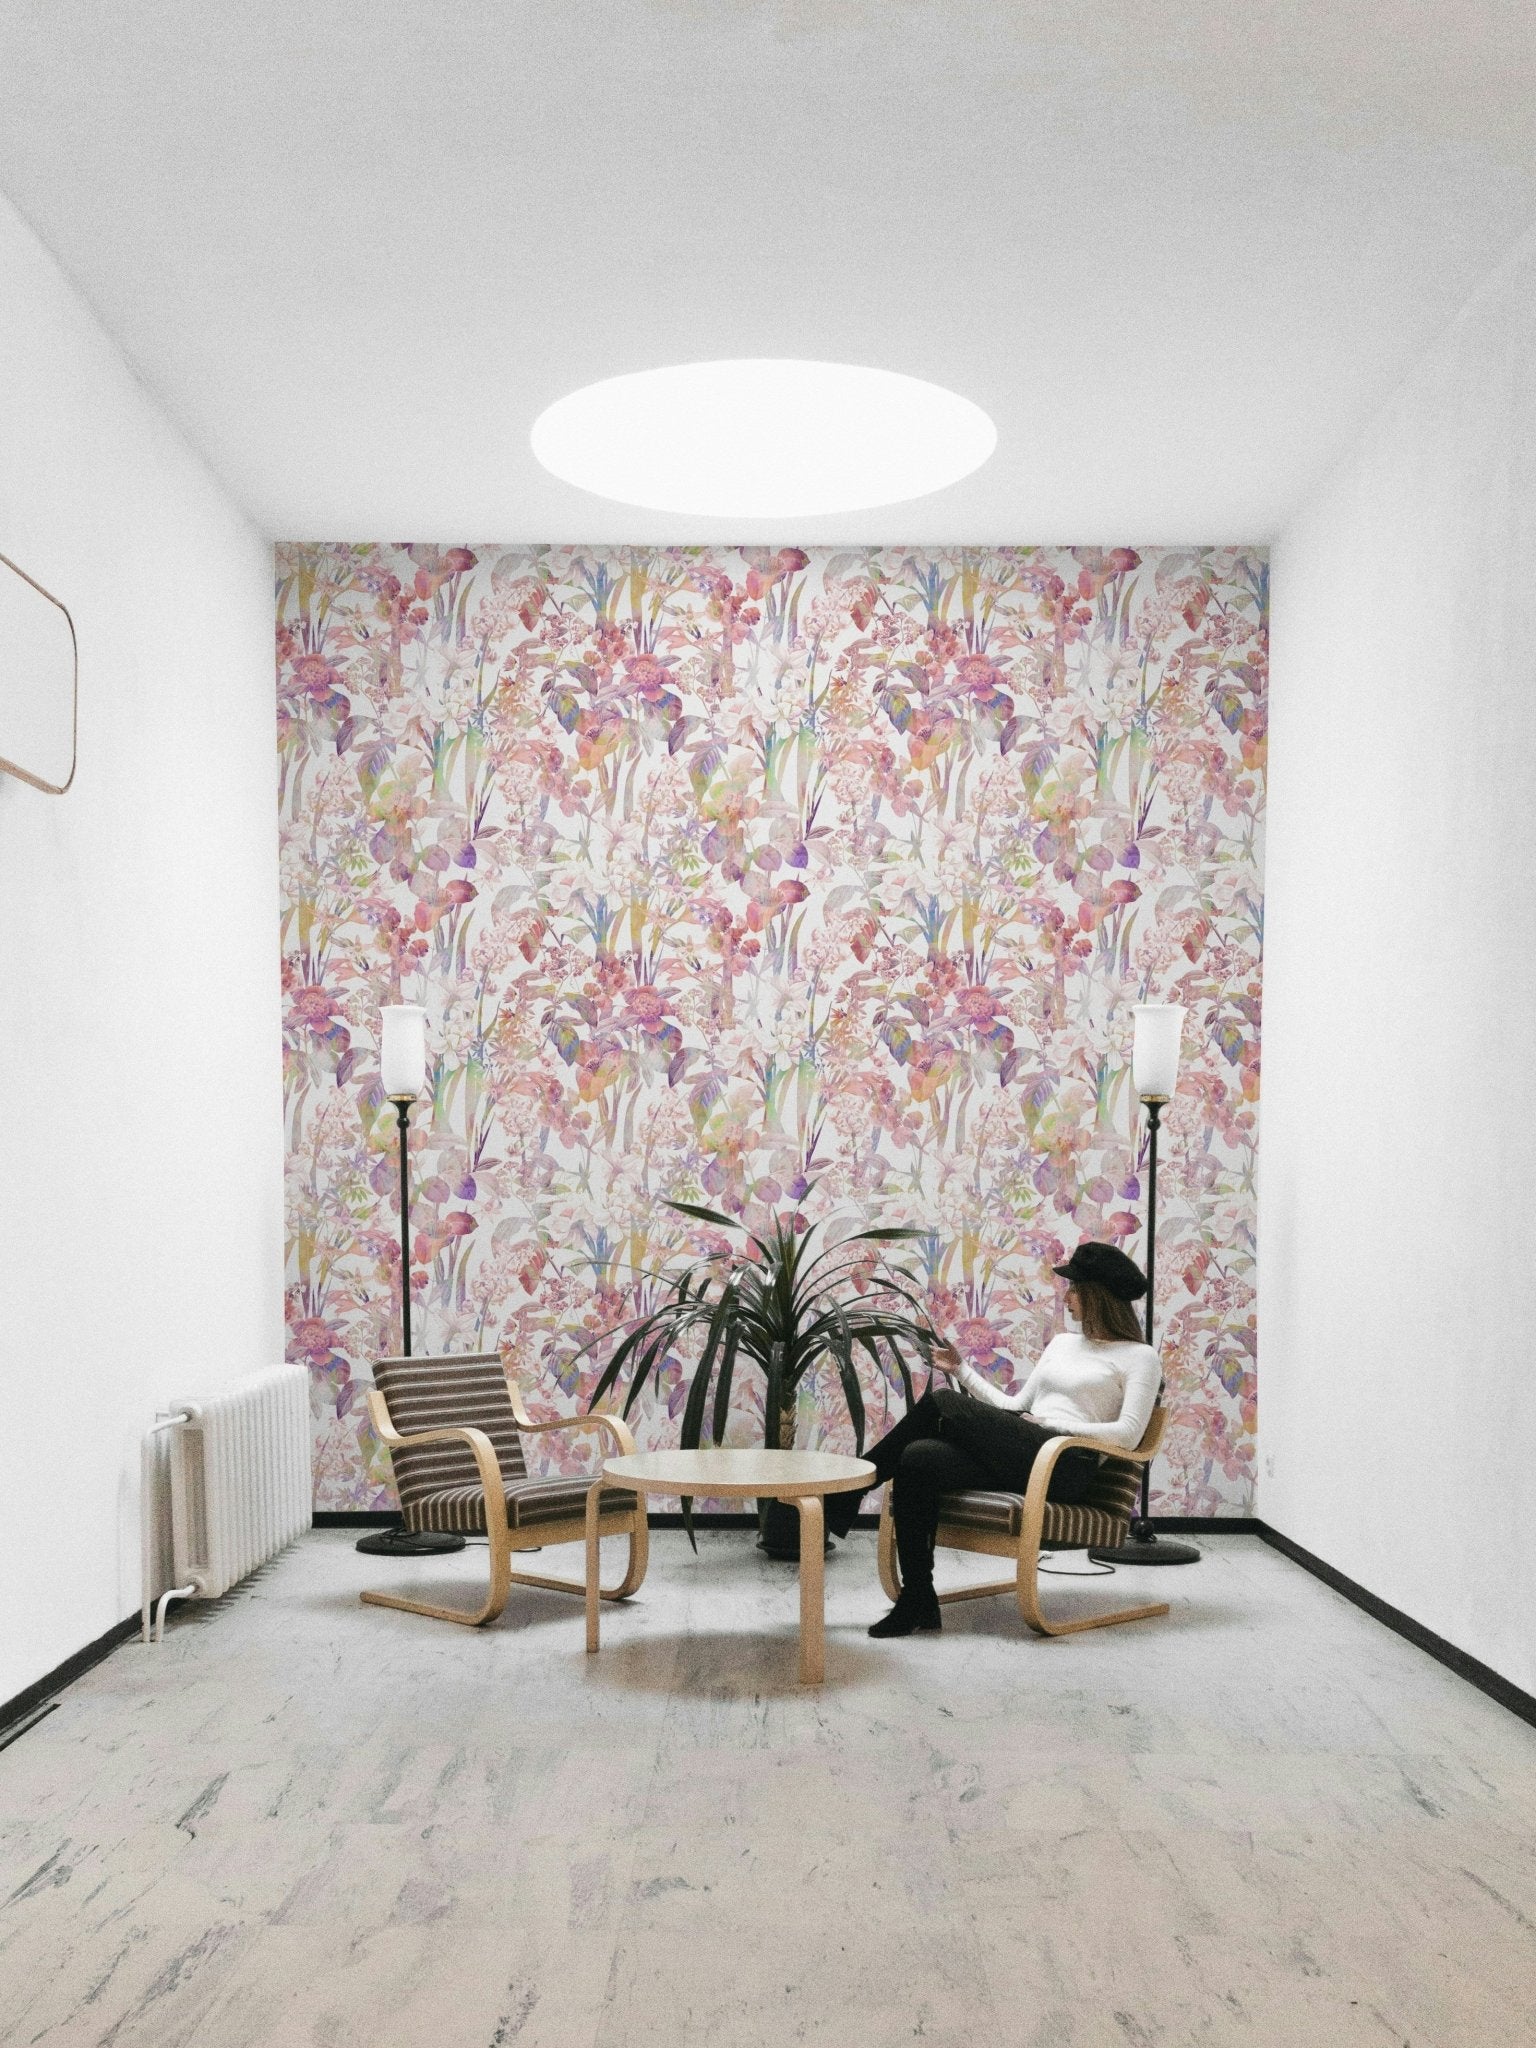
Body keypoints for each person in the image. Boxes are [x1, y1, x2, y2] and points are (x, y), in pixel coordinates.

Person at [828, 1241, 1162, 1638]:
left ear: (1098, 1295)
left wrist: (1055, 1428)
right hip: (1026, 1452)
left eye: (1074, 1288)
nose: (1067, 1297)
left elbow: (1129, 1435)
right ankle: (918, 1598)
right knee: (918, 1456)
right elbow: (1014, 1406)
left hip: (1066, 1465)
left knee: (941, 1402)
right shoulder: (1062, 1344)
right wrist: (961, 1370)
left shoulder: (1140, 1357)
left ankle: (852, 1488)